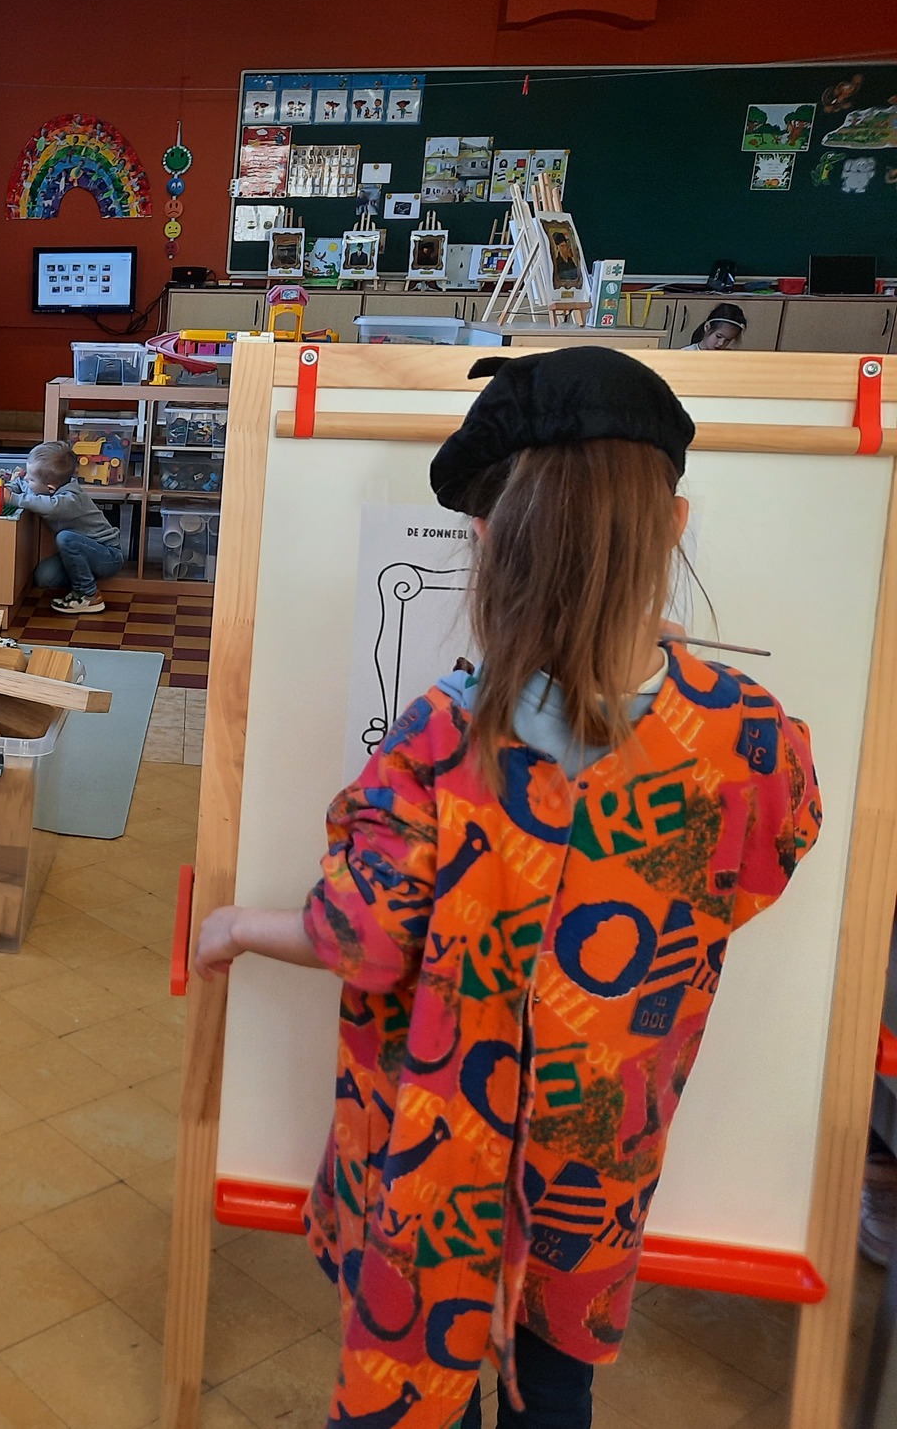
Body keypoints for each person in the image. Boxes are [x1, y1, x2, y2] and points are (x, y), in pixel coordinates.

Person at [190, 347, 821, 1429]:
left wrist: (237, 924)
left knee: (413, 1386)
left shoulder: (444, 735)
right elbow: (759, 869)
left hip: (438, 1157)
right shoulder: (750, 735)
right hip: (595, 1158)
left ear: (482, 540)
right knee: (554, 1388)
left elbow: (362, 937)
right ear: (674, 526)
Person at [11, 440, 126, 615]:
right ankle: (84, 576)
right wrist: (11, 484)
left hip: (108, 556)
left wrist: (12, 498)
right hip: (82, 553)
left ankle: (89, 595)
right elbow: (26, 488)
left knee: (65, 537)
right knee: (44, 577)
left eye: (31, 478)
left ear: (50, 488)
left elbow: (47, 506)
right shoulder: (49, 488)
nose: (26, 478)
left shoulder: (70, 499)